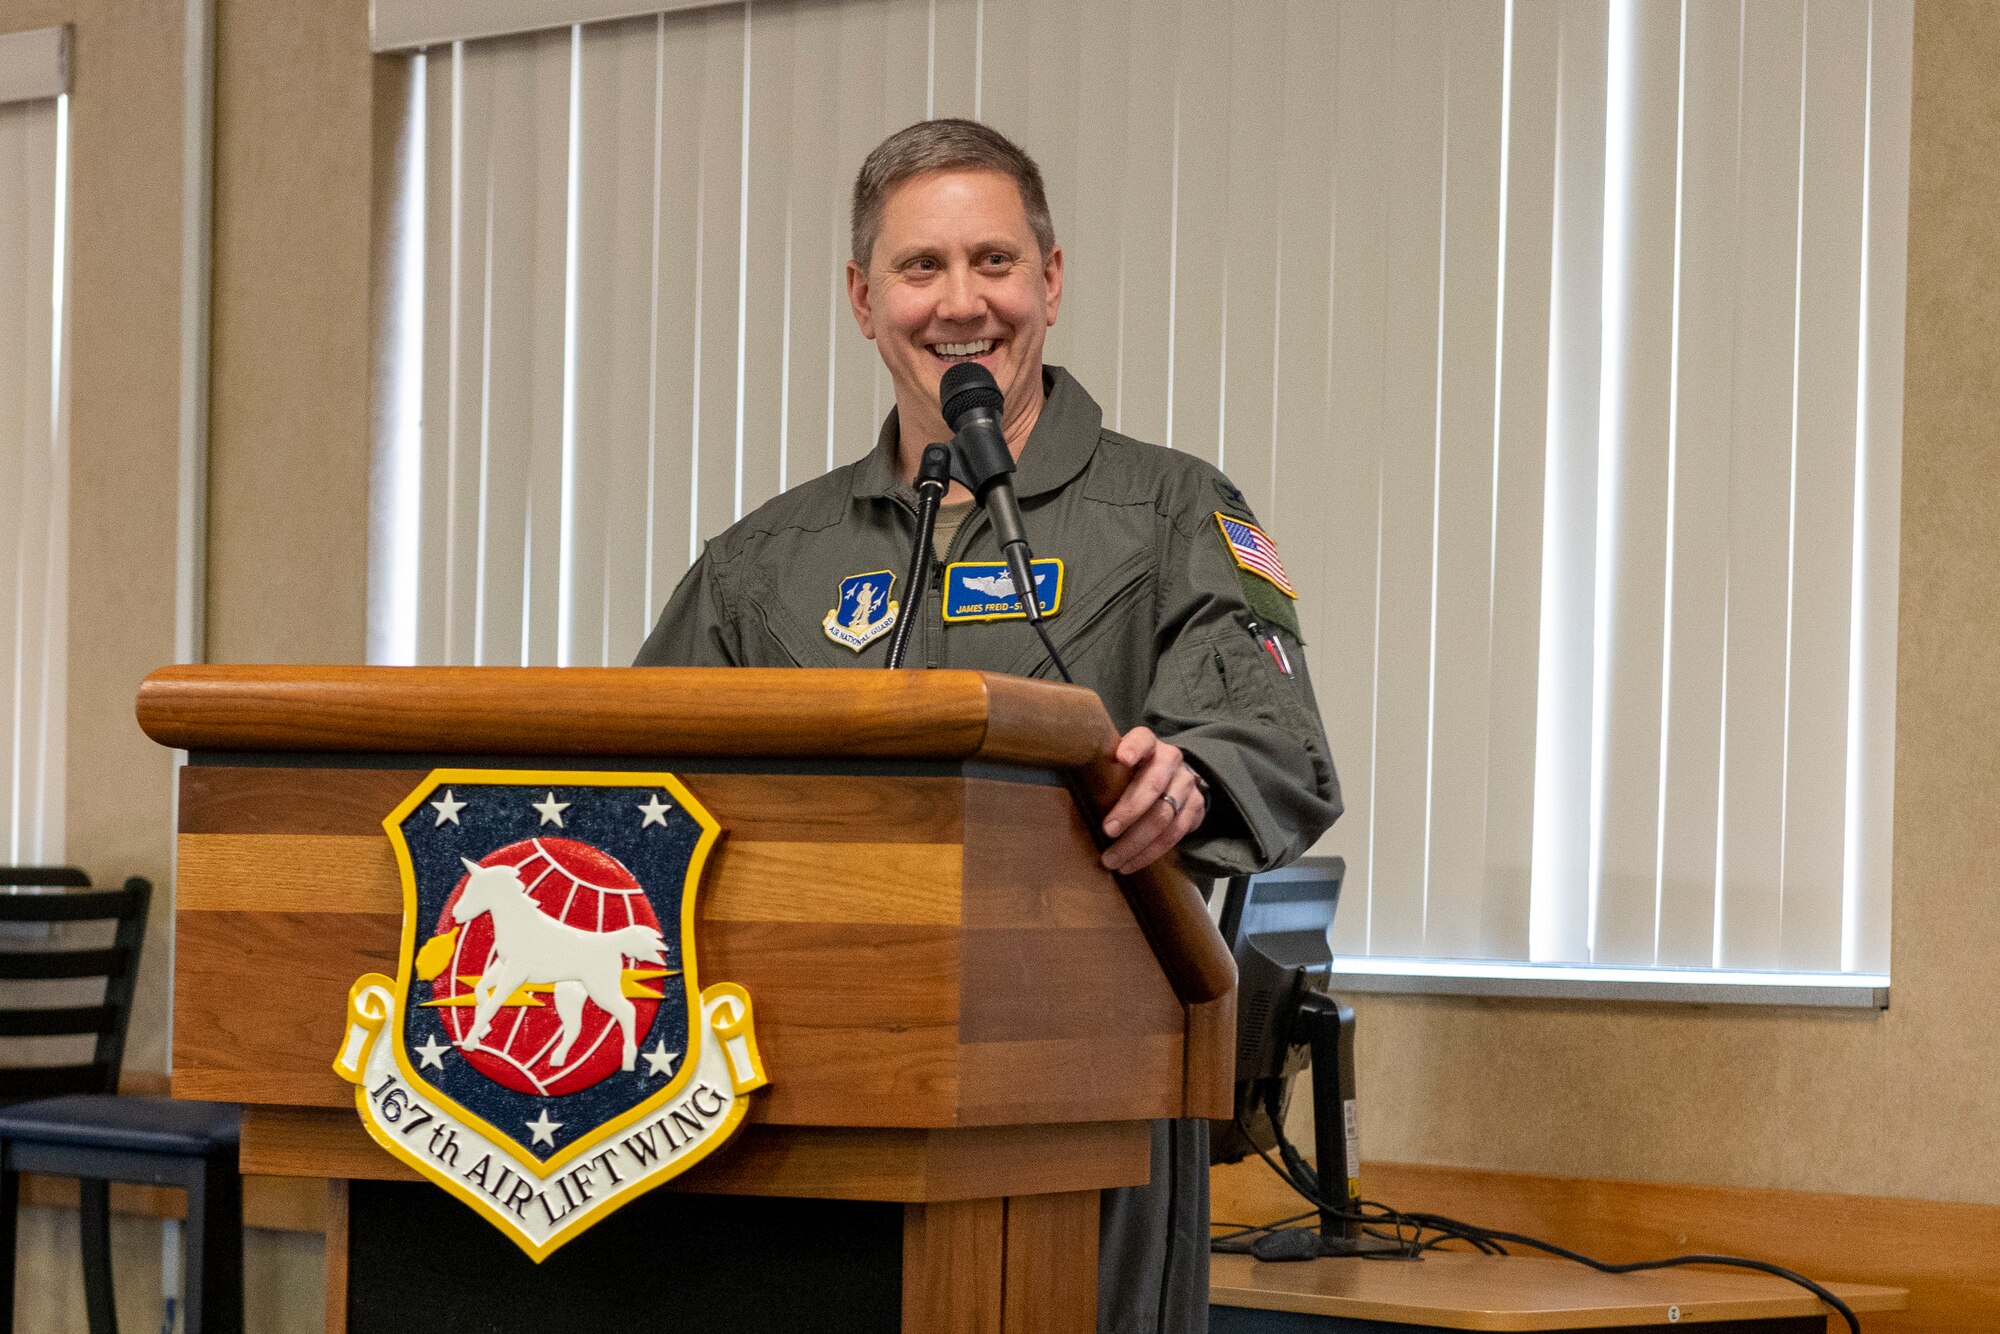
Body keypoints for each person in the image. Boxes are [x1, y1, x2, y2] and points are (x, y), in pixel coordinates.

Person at [636, 118, 1339, 1334]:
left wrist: (1192, 779)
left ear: (1050, 282)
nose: (961, 303)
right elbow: (634, 790)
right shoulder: (762, 562)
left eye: (994, 262)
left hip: (1084, 1096)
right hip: (803, 1107)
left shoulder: (1167, 510)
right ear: (863, 299)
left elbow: (1275, 736)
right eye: (920, 268)